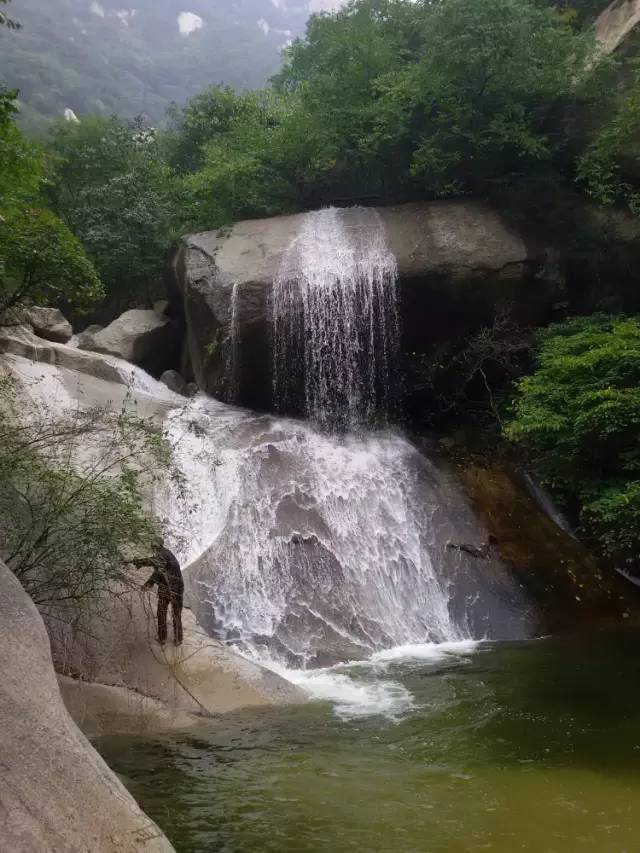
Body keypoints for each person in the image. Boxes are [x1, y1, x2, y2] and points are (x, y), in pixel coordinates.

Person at [132, 542, 184, 646]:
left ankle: (163, 638)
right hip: (177, 588)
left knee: (162, 612)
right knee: (176, 614)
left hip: (168, 589)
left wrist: (139, 563)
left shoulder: (162, 555)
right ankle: (178, 639)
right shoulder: (167, 554)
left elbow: (156, 566)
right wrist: (149, 583)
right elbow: (158, 570)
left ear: (155, 547)